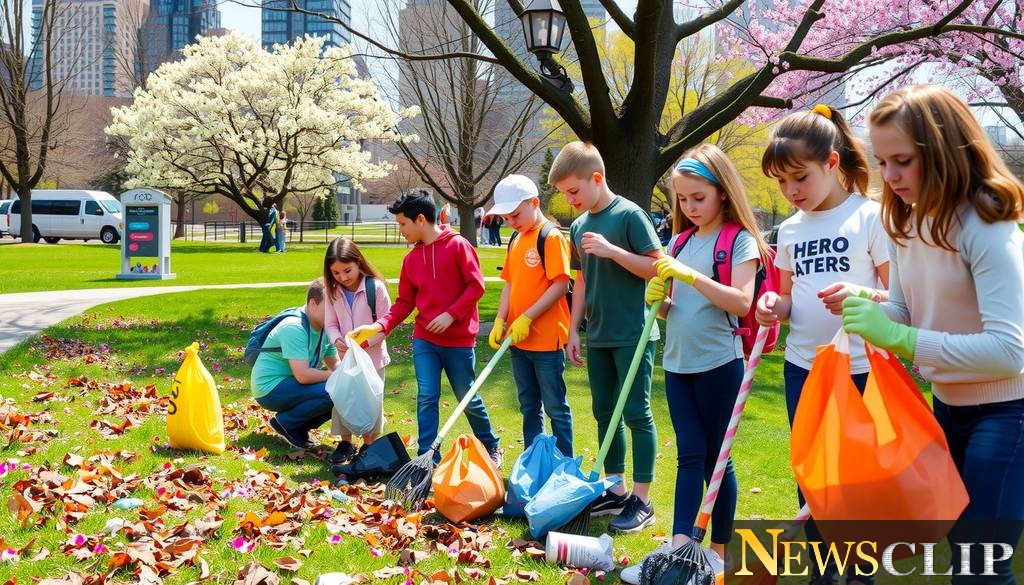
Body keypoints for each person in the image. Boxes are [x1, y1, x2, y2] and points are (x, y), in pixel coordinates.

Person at [844, 85, 1024, 585]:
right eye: (881, 162)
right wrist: (871, 303)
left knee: (981, 565)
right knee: (965, 559)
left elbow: (1011, 353)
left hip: (1009, 414)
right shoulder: (905, 219)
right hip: (946, 408)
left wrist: (900, 340)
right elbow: (906, 307)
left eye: (902, 160)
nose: (890, 177)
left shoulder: (988, 226)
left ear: (945, 152)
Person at [621, 144, 771, 582]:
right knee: (690, 454)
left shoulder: (739, 240)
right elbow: (678, 305)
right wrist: (660, 301)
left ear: (723, 193)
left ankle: (720, 554)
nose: (689, 207)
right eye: (682, 199)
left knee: (717, 462)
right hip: (678, 365)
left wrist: (691, 277)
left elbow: (742, 300)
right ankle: (680, 549)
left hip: (720, 364)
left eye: (698, 198)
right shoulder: (680, 240)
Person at [755, 104, 890, 585]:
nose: (792, 192)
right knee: (810, 473)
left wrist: (862, 295)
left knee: (854, 477)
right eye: (781, 183)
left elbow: (899, 300)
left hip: (859, 366)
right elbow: (790, 300)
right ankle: (823, 571)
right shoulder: (789, 229)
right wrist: (773, 302)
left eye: (800, 178)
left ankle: (860, 573)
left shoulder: (869, 217)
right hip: (802, 367)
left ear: (832, 163)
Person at [550, 141, 662, 533]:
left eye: (574, 191)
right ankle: (615, 490)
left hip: (634, 333)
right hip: (597, 335)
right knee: (604, 413)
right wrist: (574, 330)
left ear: (596, 179)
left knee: (635, 413)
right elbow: (580, 282)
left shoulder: (630, 216)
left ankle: (642, 499)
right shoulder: (578, 227)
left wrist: (613, 251)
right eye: (565, 194)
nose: (569, 200)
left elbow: (656, 269)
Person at [348, 190, 503, 466]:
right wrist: (378, 326)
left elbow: (476, 286)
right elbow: (404, 303)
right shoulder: (411, 259)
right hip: (425, 341)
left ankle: (490, 444)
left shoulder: (458, 246)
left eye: (403, 224)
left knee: (466, 396)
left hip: (459, 341)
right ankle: (427, 456)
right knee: (427, 396)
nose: (401, 231)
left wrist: (451, 315)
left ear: (420, 219)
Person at [487, 174, 574, 457]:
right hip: (517, 340)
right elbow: (510, 284)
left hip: (546, 341)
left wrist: (528, 316)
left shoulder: (550, 237)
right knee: (528, 405)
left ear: (534, 203)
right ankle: (533, 461)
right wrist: (501, 319)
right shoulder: (515, 238)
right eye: (507, 218)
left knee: (555, 407)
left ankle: (564, 466)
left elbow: (561, 284)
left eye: (515, 214)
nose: (511, 222)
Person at [322, 236, 392, 466]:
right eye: (336, 273)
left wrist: (364, 342)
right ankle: (345, 442)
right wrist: (337, 340)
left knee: (371, 402)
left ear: (358, 262)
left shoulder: (375, 288)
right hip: (346, 358)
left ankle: (369, 444)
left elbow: (386, 325)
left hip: (372, 359)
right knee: (344, 399)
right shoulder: (333, 291)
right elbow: (330, 323)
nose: (342, 277)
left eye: (347, 270)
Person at [251, 278, 340, 449]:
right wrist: (337, 377)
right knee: (335, 388)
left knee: (344, 387)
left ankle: (298, 426)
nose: (336, 314)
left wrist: (350, 375)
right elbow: (303, 375)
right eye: (331, 308)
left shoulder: (325, 327)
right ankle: (286, 423)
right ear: (313, 304)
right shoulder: (294, 327)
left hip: (290, 384)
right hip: (270, 389)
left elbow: (334, 362)